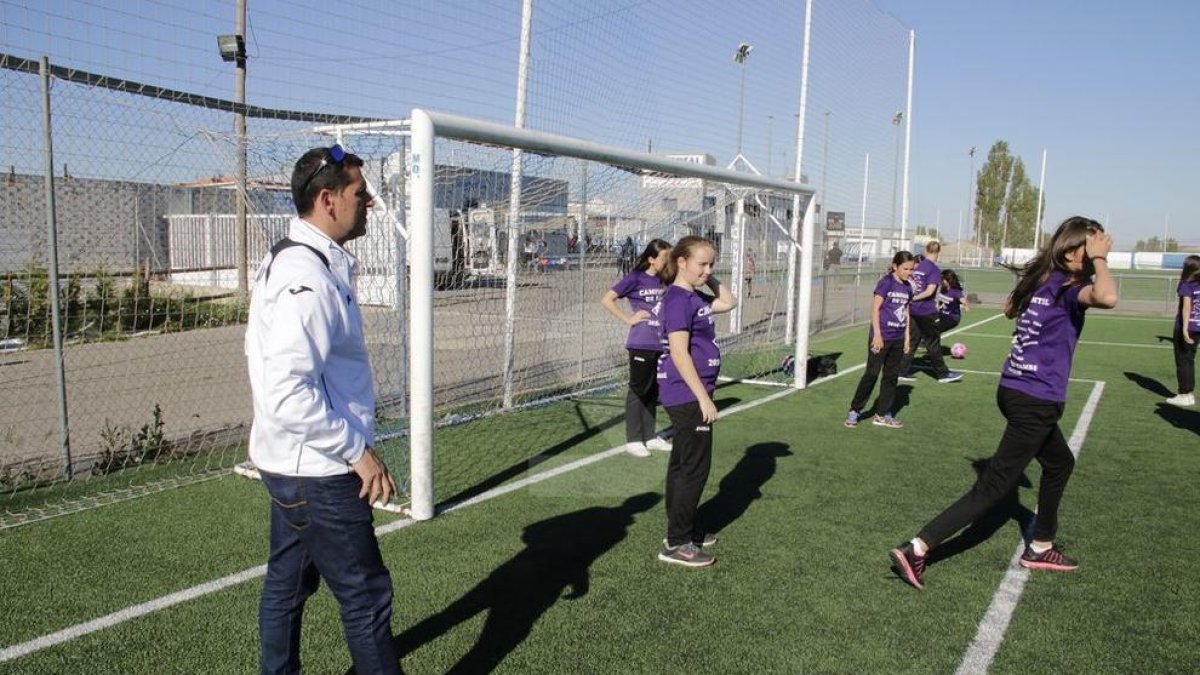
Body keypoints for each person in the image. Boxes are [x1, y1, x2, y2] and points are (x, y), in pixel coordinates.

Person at [890, 217, 1117, 590]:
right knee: (994, 486)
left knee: (1060, 462)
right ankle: (918, 547)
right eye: (1093, 246)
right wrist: (1101, 261)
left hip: (1013, 389)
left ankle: (1041, 544)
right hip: (1035, 398)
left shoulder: (1043, 280)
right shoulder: (1069, 286)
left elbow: (1011, 309)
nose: (1099, 251)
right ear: (1077, 250)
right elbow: (1108, 296)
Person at [245, 145, 402, 675]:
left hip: (292, 464)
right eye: (361, 194)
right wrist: (356, 452)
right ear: (328, 199)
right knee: (366, 597)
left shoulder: (299, 257)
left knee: (287, 585)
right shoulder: (305, 278)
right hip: (318, 470)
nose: (371, 203)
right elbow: (289, 391)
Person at [656, 236, 738, 567]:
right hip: (688, 393)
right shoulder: (678, 300)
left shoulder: (693, 297)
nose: (708, 270)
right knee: (694, 469)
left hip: (687, 392)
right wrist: (703, 398)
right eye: (702, 264)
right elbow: (678, 352)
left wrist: (706, 276)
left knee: (682, 465)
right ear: (681, 262)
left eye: (712, 264)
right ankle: (677, 543)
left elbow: (729, 302)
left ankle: (681, 529)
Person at [600, 238, 674, 457]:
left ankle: (650, 437)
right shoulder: (635, 278)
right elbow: (607, 299)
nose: (667, 261)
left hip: (661, 343)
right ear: (651, 259)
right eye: (664, 258)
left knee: (653, 391)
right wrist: (629, 319)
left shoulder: (666, 280)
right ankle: (633, 439)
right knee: (638, 389)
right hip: (641, 342)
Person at [844, 251, 915, 430]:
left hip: (898, 338)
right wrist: (877, 335)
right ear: (895, 266)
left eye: (911, 269)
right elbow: (875, 309)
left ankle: (882, 414)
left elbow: (906, 312)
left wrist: (907, 337)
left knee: (891, 377)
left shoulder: (908, 287)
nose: (909, 272)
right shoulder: (886, 283)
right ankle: (855, 410)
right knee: (872, 374)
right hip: (881, 337)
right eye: (905, 269)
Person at [899, 241, 962, 384]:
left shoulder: (918, 266)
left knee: (913, 341)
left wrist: (912, 299)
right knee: (933, 342)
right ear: (938, 253)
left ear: (926, 251)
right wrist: (915, 297)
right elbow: (930, 291)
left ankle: (901, 371)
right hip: (926, 311)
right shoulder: (933, 269)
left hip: (914, 310)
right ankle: (942, 374)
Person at [1166, 255, 1200, 407]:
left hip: (1187, 327)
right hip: (1198, 326)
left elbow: (1186, 307)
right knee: (1189, 360)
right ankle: (1189, 394)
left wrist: (1185, 329)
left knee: (1183, 361)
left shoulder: (1186, 284)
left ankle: (1185, 394)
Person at [935, 269, 969, 333]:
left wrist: (966, 306)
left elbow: (963, 301)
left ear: (948, 280)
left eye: (943, 279)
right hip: (941, 315)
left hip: (952, 317)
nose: (941, 281)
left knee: (935, 329)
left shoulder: (955, 291)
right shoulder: (941, 290)